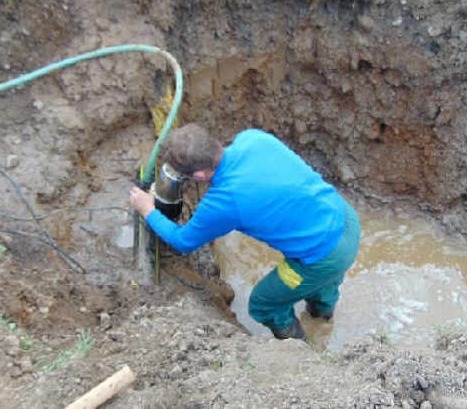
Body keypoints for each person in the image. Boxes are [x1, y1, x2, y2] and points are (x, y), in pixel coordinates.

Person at [129, 123, 361, 341]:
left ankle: (301, 355)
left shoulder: (223, 202)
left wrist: (148, 210)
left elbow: (183, 241)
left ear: (199, 176)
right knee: (322, 281)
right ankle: (322, 318)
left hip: (325, 258)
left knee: (263, 304)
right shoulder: (253, 138)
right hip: (345, 218)